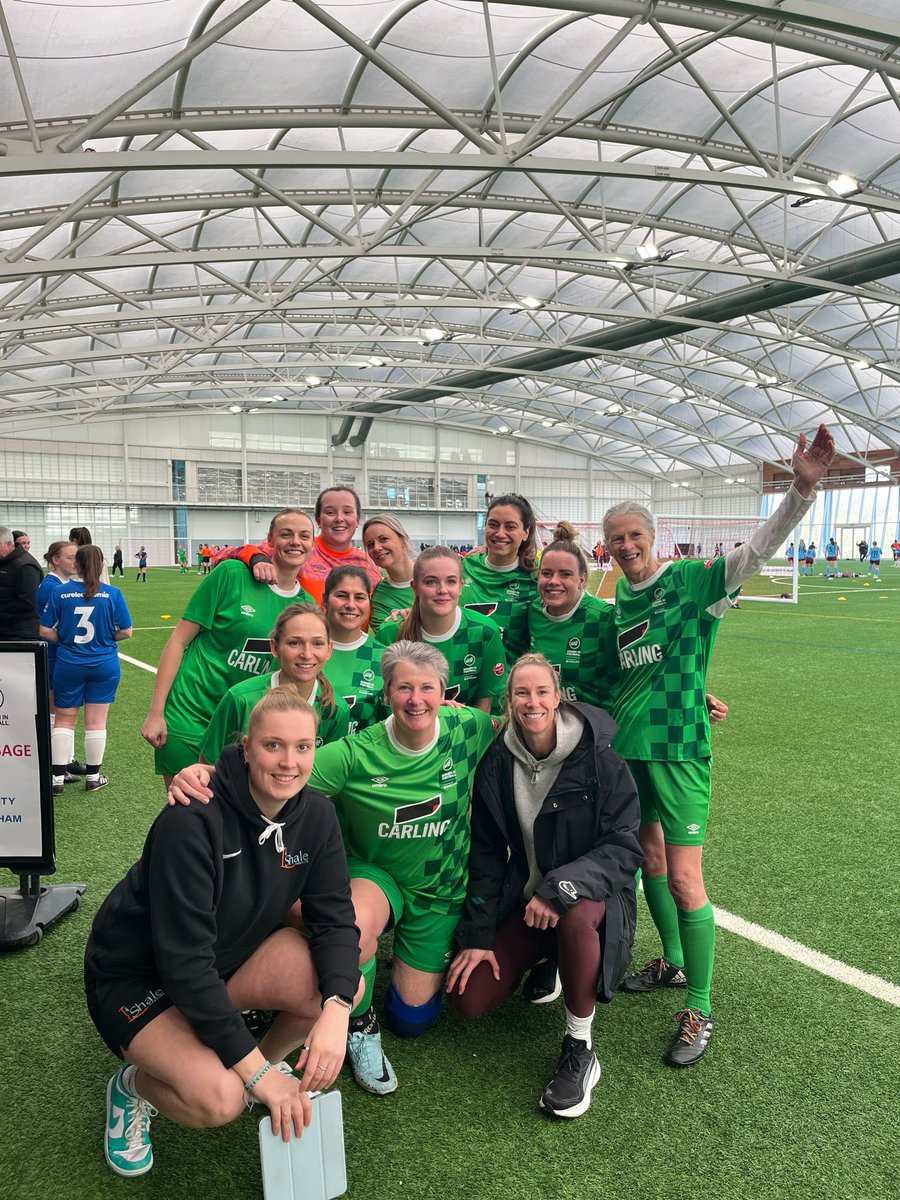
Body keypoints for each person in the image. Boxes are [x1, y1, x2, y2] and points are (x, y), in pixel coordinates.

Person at [168, 641, 497, 1098]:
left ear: (445, 693)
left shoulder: (471, 726)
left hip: (442, 889)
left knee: (413, 1019)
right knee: (354, 926)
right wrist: (200, 774)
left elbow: (522, 728)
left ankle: (352, 997)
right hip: (377, 875)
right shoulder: (355, 753)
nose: (416, 699)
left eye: (427, 688)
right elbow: (277, 769)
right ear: (386, 693)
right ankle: (355, 1018)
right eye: (404, 687)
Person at [605, 424, 834, 1067]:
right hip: (630, 753)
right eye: (617, 537)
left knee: (684, 878)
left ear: (653, 538)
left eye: (636, 536)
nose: (627, 546)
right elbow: (636, 672)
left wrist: (801, 492)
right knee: (650, 860)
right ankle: (675, 963)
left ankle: (699, 1009)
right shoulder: (619, 598)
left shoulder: (695, 582)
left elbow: (757, 553)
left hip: (679, 752)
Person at [84, 688, 361, 1178]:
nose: (288, 763)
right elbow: (184, 966)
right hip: (138, 976)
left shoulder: (316, 816)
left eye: (303, 747)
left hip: (221, 963)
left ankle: (253, 1069)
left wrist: (339, 1009)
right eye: (273, 746)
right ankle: (133, 1087)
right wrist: (254, 1075)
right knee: (218, 1100)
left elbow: (335, 918)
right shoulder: (191, 819)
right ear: (246, 746)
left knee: (341, 984)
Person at [447, 654, 642, 1118]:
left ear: (558, 697)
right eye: (521, 693)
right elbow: (488, 851)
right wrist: (477, 937)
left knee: (573, 915)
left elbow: (625, 847)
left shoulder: (600, 757)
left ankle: (580, 1046)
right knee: (466, 999)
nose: (531, 702)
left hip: (589, 900)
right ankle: (550, 956)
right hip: (530, 898)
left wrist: (562, 887)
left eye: (540, 692)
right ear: (509, 701)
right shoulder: (498, 759)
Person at [141, 509, 316, 784]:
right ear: (270, 540)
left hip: (243, 727)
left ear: (312, 544)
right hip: (190, 715)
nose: (295, 541)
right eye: (286, 534)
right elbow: (178, 640)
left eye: (304, 536)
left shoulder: (305, 607)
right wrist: (156, 712)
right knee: (191, 816)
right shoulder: (231, 574)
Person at [201, 604, 350, 763]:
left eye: (318, 644)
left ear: (329, 649)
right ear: (275, 647)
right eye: (294, 643)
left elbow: (326, 776)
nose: (307, 654)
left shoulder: (336, 710)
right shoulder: (240, 699)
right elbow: (208, 764)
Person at [39, 545, 133, 794]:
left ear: (77, 564)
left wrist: (66, 640)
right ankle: (93, 776)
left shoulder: (60, 592)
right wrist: (104, 638)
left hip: (69, 663)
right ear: (101, 565)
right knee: (96, 721)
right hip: (104, 664)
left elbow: (45, 630)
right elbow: (126, 631)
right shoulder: (112, 593)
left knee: (64, 719)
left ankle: (56, 779)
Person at [376, 546, 507, 713]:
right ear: (414, 587)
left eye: (451, 581)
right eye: (431, 581)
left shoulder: (484, 632)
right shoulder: (390, 633)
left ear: (460, 587)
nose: (442, 590)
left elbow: (484, 705)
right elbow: (384, 704)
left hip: (465, 734)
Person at [232, 487, 382, 608]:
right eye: (330, 512)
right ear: (318, 520)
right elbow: (223, 555)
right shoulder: (299, 549)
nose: (339, 518)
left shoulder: (367, 565)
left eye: (347, 512)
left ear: (358, 520)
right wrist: (256, 558)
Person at [525, 523, 618, 710]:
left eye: (565, 574)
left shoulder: (604, 618)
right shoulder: (534, 610)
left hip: (598, 729)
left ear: (582, 579)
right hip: (551, 724)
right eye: (547, 573)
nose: (554, 582)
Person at [461, 494, 540, 662]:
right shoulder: (462, 567)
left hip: (511, 683)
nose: (500, 533)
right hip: (465, 675)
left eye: (510, 527)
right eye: (493, 525)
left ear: (525, 533)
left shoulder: (537, 577)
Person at [35, 540, 85, 781]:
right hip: (55, 656)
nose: (76, 562)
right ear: (55, 560)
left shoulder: (64, 585)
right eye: (70, 557)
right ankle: (58, 766)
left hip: (61, 655)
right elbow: (54, 626)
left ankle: (66, 760)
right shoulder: (51, 587)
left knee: (65, 710)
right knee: (57, 711)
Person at [322, 566, 387, 733]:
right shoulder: (306, 650)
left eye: (359, 597)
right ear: (325, 600)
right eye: (342, 596)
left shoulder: (384, 657)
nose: (351, 605)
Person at [362, 514, 415, 634]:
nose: (376, 548)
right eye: (370, 544)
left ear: (403, 540)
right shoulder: (378, 599)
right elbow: (390, 640)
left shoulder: (438, 576)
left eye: (383, 539)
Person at [0, 524, 42, 639]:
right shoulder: (4, 561)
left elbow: (28, 601)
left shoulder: (25, 566)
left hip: (20, 633)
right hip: (5, 629)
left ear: (8, 544)